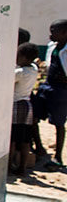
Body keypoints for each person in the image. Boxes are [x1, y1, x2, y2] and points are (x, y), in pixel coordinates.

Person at [33, 19, 67, 169]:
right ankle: (39, 147)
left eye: (54, 31)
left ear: (65, 33)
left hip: (62, 90)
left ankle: (58, 156)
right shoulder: (52, 46)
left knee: (58, 123)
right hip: (47, 85)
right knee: (33, 115)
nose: (50, 34)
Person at [11, 43, 39, 175]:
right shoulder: (34, 69)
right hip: (27, 104)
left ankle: (10, 165)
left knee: (12, 138)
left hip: (16, 104)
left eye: (18, 56)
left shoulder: (19, 73)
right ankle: (22, 167)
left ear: (25, 58)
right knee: (25, 138)